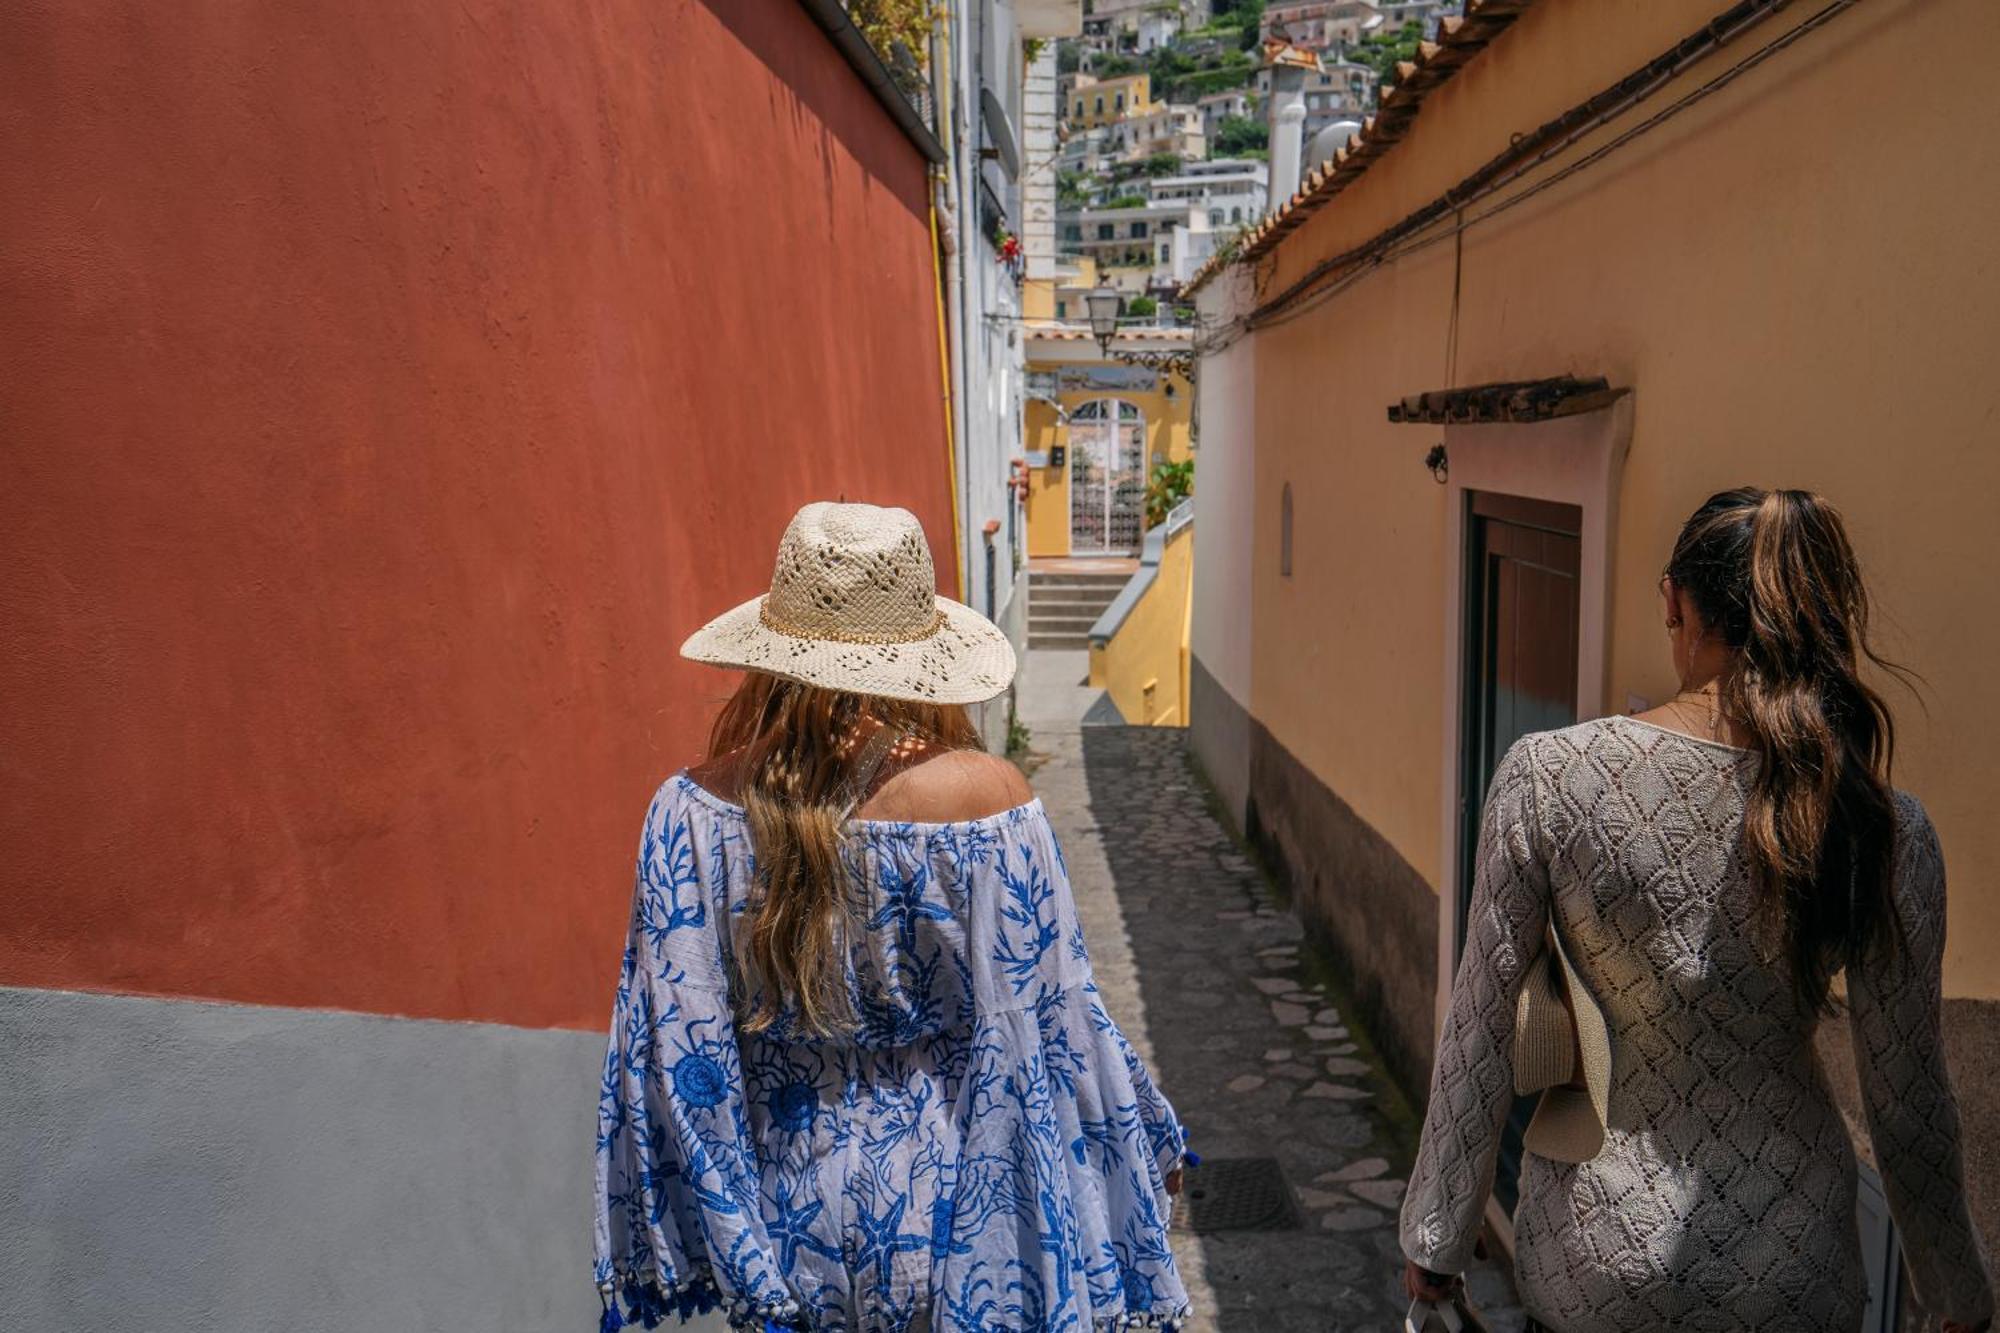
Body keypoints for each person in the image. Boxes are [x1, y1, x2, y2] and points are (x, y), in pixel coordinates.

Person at [1398, 488, 1993, 1331]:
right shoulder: (1886, 829)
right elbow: (1910, 1101)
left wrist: (1436, 1242)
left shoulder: (1550, 777)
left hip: (1595, 1261)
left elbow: (1482, 1031)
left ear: (1674, 600)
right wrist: (1959, 1293)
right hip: (1793, 1269)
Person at [593, 502, 1190, 1333]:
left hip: (786, 1218)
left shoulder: (688, 813)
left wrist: (739, 1249)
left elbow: (678, 1052)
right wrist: (1141, 1140)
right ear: (923, 657)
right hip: (955, 1211)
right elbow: (1054, 1022)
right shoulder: (987, 806)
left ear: (773, 651)